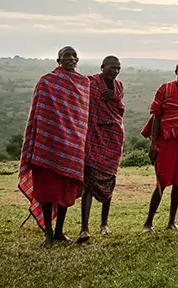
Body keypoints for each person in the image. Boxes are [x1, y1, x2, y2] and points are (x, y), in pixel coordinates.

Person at [18, 46, 90, 247]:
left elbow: (82, 116)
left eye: (74, 55)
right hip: (48, 146)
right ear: (58, 59)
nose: (71, 58)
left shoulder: (83, 83)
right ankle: (48, 233)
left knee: (65, 193)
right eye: (67, 55)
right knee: (47, 193)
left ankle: (59, 231)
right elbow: (38, 114)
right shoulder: (46, 82)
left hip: (72, 146)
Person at [142, 61, 178, 231]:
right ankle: (148, 222)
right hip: (166, 140)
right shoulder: (164, 89)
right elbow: (156, 117)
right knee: (162, 180)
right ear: (176, 71)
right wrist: (153, 145)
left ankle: (171, 221)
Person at [78, 55, 125, 243]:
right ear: (102, 67)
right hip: (93, 135)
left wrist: (113, 98)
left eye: (118, 68)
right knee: (88, 181)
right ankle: (84, 228)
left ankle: (104, 223)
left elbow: (120, 109)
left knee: (109, 179)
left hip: (113, 136)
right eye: (112, 68)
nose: (115, 71)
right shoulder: (90, 83)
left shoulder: (119, 86)